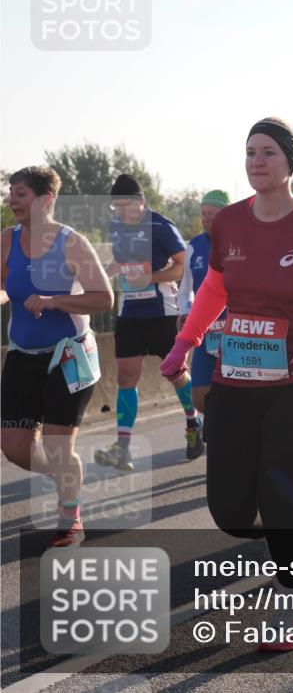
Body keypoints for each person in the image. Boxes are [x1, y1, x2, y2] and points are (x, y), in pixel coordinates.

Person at [159, 117, 293, 651]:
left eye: (267, 152)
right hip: (238, 378)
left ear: (290, 162)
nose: (256, 161)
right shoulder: (227, 223)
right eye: (250, 152)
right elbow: (213, 293)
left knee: (277, 492)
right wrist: (186, 342)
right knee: (228, 510)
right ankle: (288, 538)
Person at [1, 166, 114, 547]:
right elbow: (3, 287)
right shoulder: (6, 240)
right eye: (11, 193)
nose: (13, 200)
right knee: (13, 447)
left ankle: (71, 516)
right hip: (22, 352)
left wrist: (53, 301)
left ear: (46, 199)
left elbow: (103, 298)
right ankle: (66, 471)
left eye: (21, 194)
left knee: (56, 445)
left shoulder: (71, 243)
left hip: (68, 354)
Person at [93, 175, 195, 471]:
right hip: (130, 313)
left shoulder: (161, 227)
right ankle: (123, 448)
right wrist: (101, 277)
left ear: (141, 202)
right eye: (117, 208)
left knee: (175, 373)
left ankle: (193, 423)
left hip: (162, 311)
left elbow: (182, 267)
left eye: (127, 206)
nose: (122, 213)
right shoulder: (116, 227)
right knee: (126, 377)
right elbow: (119, 262)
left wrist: (149, 278)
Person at [177, 189, 230, 453]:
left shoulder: (239, 242)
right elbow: (185, 286)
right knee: (200, 395)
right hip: (205, 330)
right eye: (204, 214)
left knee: (235, 392)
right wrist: (184, 311)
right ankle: (203, 424)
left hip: (236, 331)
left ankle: (228, 437)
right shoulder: (194, 246)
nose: (207, 218)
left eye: (213, 213)